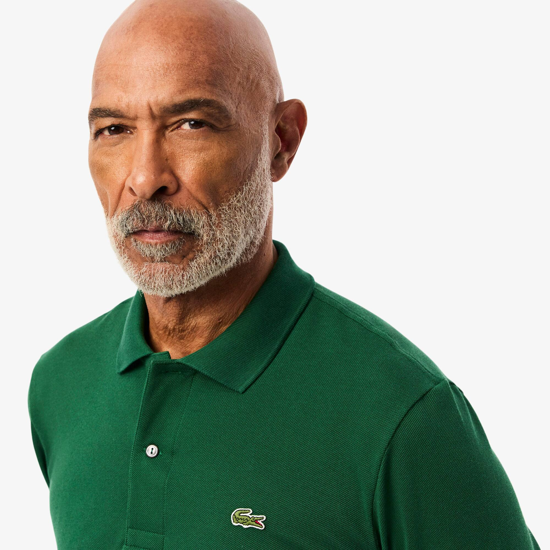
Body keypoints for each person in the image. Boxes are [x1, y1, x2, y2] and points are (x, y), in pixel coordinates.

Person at [27, 0, 540, 548]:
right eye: (114, 129)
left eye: (192, 123)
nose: (145, 177)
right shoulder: (61, 384)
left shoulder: (404, 416)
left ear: (281, 140)